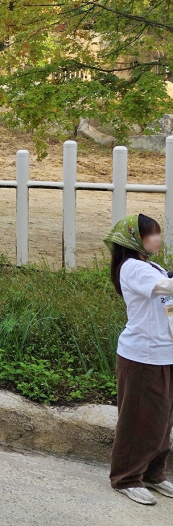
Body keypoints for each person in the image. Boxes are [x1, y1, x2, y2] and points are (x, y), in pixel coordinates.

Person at [105, 214, 173, 505]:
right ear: (133, 238)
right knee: (138, 420)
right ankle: (126, 478)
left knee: (162, 420)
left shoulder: (151, 266)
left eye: (158, 234)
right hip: (142, 355)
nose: (158, 239)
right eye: (151, 235)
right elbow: (167, 288)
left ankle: (153, 474)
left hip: (163, 352)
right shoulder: (132, 267)